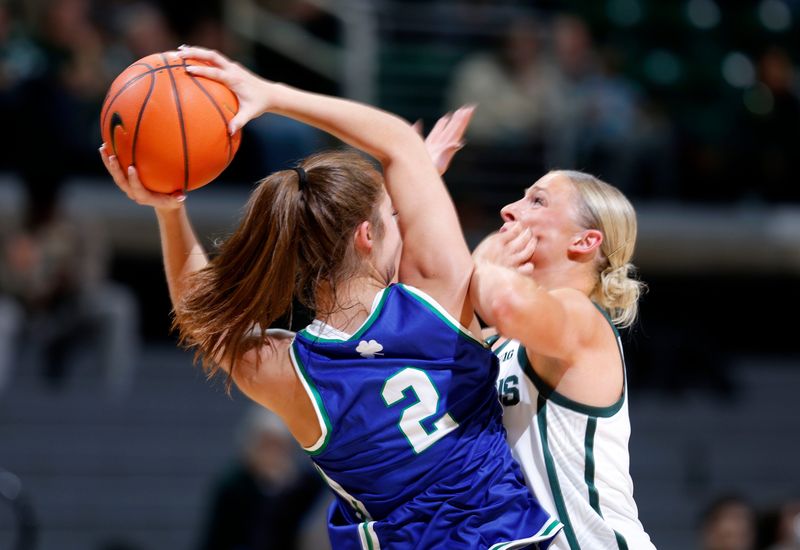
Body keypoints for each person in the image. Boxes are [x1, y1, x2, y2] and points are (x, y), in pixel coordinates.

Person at [99, 46, 561, 549]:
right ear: (366, 236)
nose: (401, 219)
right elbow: (395, 143)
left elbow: (198, 314)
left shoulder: (293, 374)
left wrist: (169, 210)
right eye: (392, 218)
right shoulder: (435, 292)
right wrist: (271, 94)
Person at [466, 169, 656, 549]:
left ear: (585, 241)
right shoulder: (500, 343)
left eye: (536, 200)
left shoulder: (583, 317)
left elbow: (503, 302)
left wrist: (483, 262)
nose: (508, 210)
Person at [197, 406, 326, 550]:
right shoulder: (233, 486)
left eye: (279, 446)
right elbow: (215, 538)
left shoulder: (304, 485)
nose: (272, 454)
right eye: (266, 445)